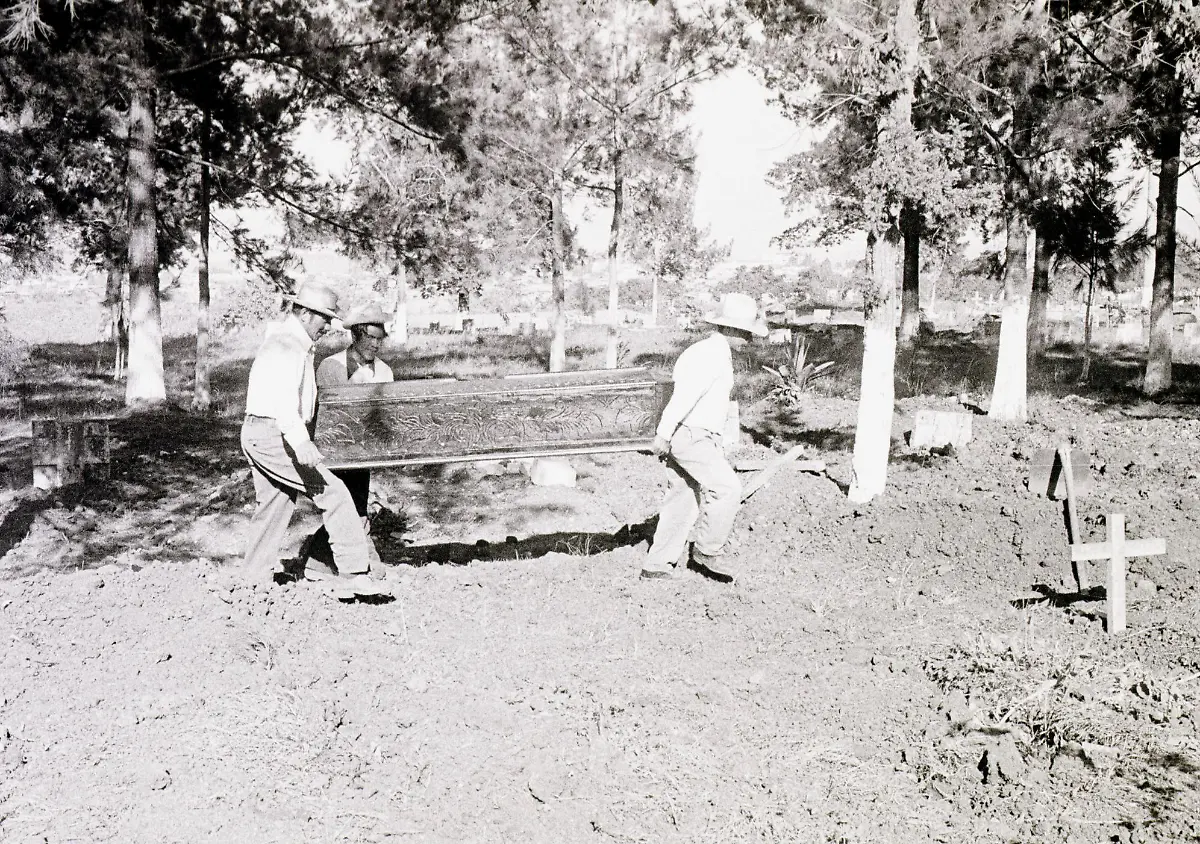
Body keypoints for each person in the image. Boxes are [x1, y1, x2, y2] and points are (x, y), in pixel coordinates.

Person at [240, 282, 381, 594]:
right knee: (335, 494)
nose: (328, 326)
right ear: (304, 313)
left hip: (260, 432)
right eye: (323, 318)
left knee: (275, 506)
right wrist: (300, 442)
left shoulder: (293, 344)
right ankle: (355, 574)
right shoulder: (286, 346)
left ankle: (251, 581)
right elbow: (282, 400)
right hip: (273, 433)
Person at [641, 292, 768, 583]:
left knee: (683, 498)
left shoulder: (713, 352)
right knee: (727, 488)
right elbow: (684, 396)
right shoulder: (709, 354)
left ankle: (657, 564)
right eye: (747, 333)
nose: (749, 340)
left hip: (695, 434)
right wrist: (663, 433)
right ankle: (707, 553)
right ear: (733, 329)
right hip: (690, 434)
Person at [314, 302, 394, 551]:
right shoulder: (331, 366)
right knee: (340, 505)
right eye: (370, 338)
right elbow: (328, 413)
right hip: (335, 450)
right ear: (355, 335)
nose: (375, 345)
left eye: (380, 339)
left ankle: (354, 557)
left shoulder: (384, 371)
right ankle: (327, 556)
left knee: (357, 504)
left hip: (363, 451)